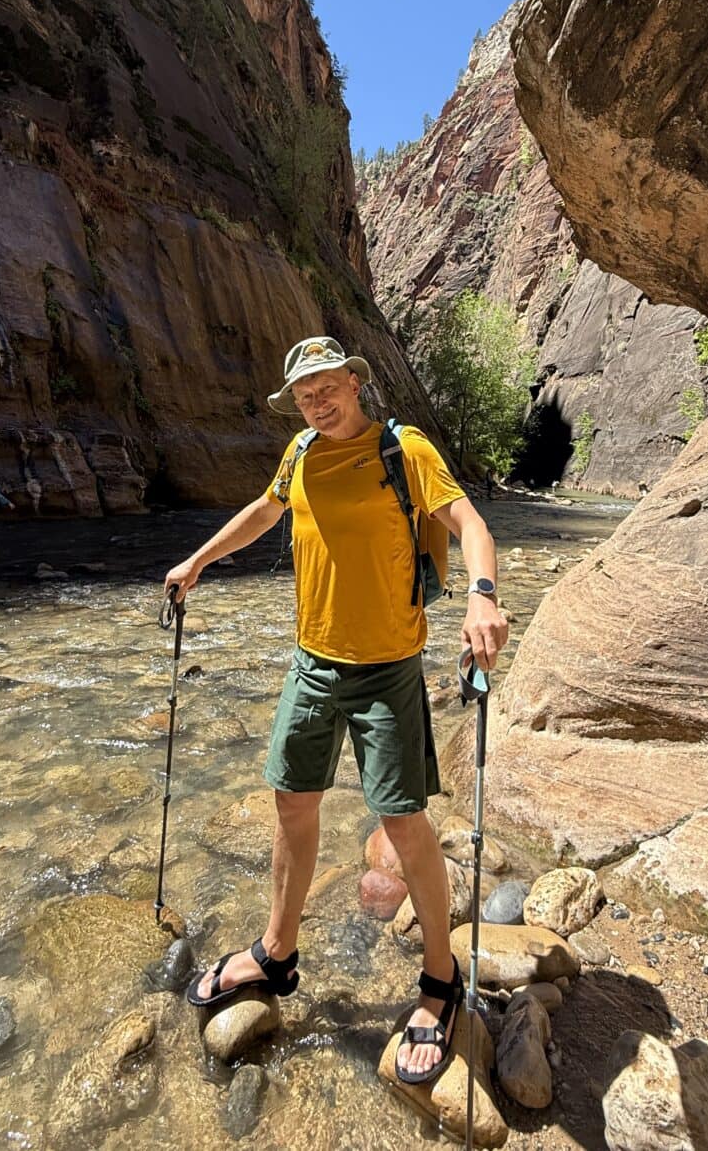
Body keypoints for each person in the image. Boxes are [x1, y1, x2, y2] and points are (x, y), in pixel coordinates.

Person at [163, 335, 508, 1086]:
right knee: (292, 803)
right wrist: (198, 560)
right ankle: (276, 953)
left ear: (353, 381)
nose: (316, 401)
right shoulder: (298, 452)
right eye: (303, 394)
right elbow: (265, 510)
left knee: (403, 822)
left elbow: (472, 526)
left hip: (387, 670)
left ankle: (441, 980)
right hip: (312, 663)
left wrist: (483, 595)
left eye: (326, 385)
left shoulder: (403, 448)